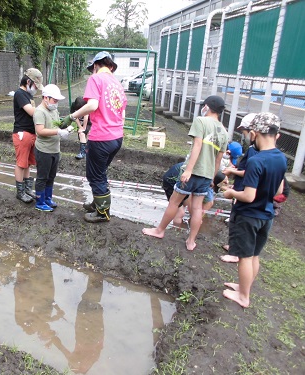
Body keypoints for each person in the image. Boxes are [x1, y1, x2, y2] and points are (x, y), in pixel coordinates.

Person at [143, 95, 228, 250]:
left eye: (204, 105)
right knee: (196, 208)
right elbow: (218, 160)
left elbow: (197, 146)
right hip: (207, 175)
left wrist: (188, 170)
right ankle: (191, 241)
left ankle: (159, 230)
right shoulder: (223, 131)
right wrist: (212, 179)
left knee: (175, 202)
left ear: (207, 107)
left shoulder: (201, 121)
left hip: (194, 171)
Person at [222, 112, 287, 308]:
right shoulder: (281, 159)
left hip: (248, 215)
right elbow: (279, 190)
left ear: (254, 133)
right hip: (266, 215)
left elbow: (248, 196)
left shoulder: (256, 160)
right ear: (277, 135)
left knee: (245, 257)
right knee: (254, 255)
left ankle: (243, 296)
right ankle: (244, 287)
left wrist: (231, 193)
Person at [61, 51, 127, 223]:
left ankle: (102, 213)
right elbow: (123, 112)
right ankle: (98, 204)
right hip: (117, 137)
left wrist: (72, 116)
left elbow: (92, 105)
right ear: (111, 66)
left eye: (93, 68)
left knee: (95, 175)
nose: (92, 71)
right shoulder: (117, 84)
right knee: (101, 172)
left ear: (97, 65)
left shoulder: (96, 79)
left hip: (102, 137)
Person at [33, 84, 71, 212]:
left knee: (51, 176)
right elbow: (40, 130)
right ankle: (40, 201)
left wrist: (66, 127)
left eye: (57, 101)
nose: (56, 103)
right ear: (45, 98)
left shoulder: (53, 110)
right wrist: (58, 132)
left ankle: (48, 198)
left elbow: (57, 124)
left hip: (55, 149)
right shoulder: (39, 112)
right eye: (54, 100)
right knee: (42, 176)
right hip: (44, 150)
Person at [12, 68, 44, 204]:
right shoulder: (20, 94)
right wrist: (44, 110)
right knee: (21, 164)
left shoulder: (28, 95)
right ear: (28, 81)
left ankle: (27, 189)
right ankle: (20, 192)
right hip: (22, 133)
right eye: (36, 85)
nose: (36, 89)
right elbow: (32, 112)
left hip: (31, 133)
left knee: (28, 163)